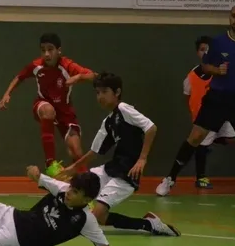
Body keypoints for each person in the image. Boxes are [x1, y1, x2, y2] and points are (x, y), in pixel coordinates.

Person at [156, 3, 235, 197]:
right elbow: (205, 66)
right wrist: (217, 70)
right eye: (233, 15)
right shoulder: (218, 42)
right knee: (195, 137)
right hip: (217, 97)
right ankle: (169, 179)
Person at [57, 72, 180, 236]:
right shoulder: (108, 122)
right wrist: (72, 168)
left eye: (104, 92)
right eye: (97, 93)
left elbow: (151, 128)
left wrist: (142, 159)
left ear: (117, 92)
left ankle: (151, 225)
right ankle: (149, 223)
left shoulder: (124, 109)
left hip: (127, 174)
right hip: (112, 169)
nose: (100, 96)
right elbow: (94, 152)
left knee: (95, 216)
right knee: (77, 187)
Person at [0, 33, 96, 176]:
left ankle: (84, 183)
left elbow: (94, 75)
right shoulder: (36, 65)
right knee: (48, 110)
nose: (46, 54)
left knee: (76, 151)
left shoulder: (67, 65)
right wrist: (7, 93)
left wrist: (79, 77)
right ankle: (50, 164)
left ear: (59, 51)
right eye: (43, 50)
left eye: (50, 49)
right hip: (43, 104)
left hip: (65, 112)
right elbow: (20, 76)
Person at [182, 36, 235, 189]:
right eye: (202, 50)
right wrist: (194, 112)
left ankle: (212, 141)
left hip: (221, 113)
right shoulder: (191, 76)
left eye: (208, 49)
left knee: (231, 139)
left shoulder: (221, 71)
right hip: (203, 116)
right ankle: (201, 178)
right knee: (202, 145)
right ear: (197, 53)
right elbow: (187, 96)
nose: (205, 52)